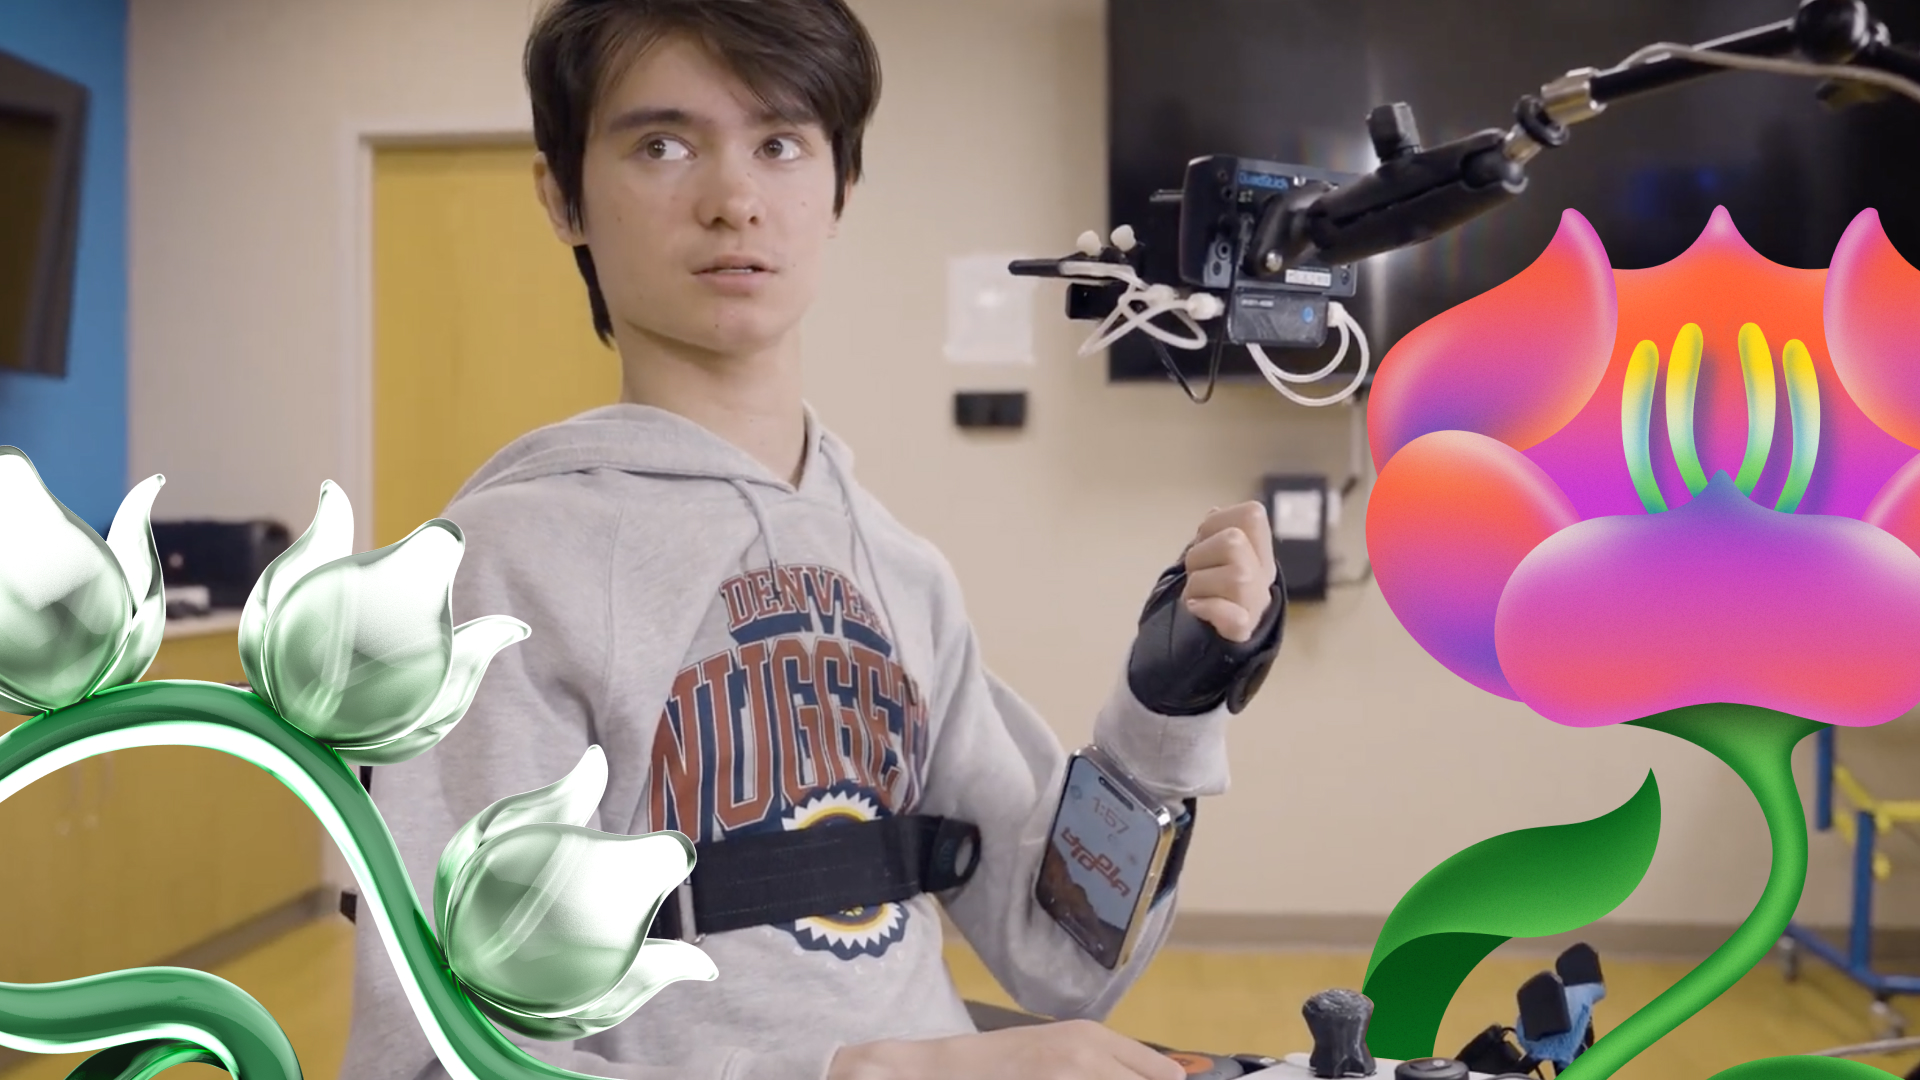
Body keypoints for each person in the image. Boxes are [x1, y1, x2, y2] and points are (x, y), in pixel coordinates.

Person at [337, 2, 1286, 1078]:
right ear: (564, 198)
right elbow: (436, 1061)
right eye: (662, 143)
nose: (734, 200)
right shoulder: (500, 572)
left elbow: (1060, 956)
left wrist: (1164, 717)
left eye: (780, 143)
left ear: (838, 191)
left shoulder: (901, 570)